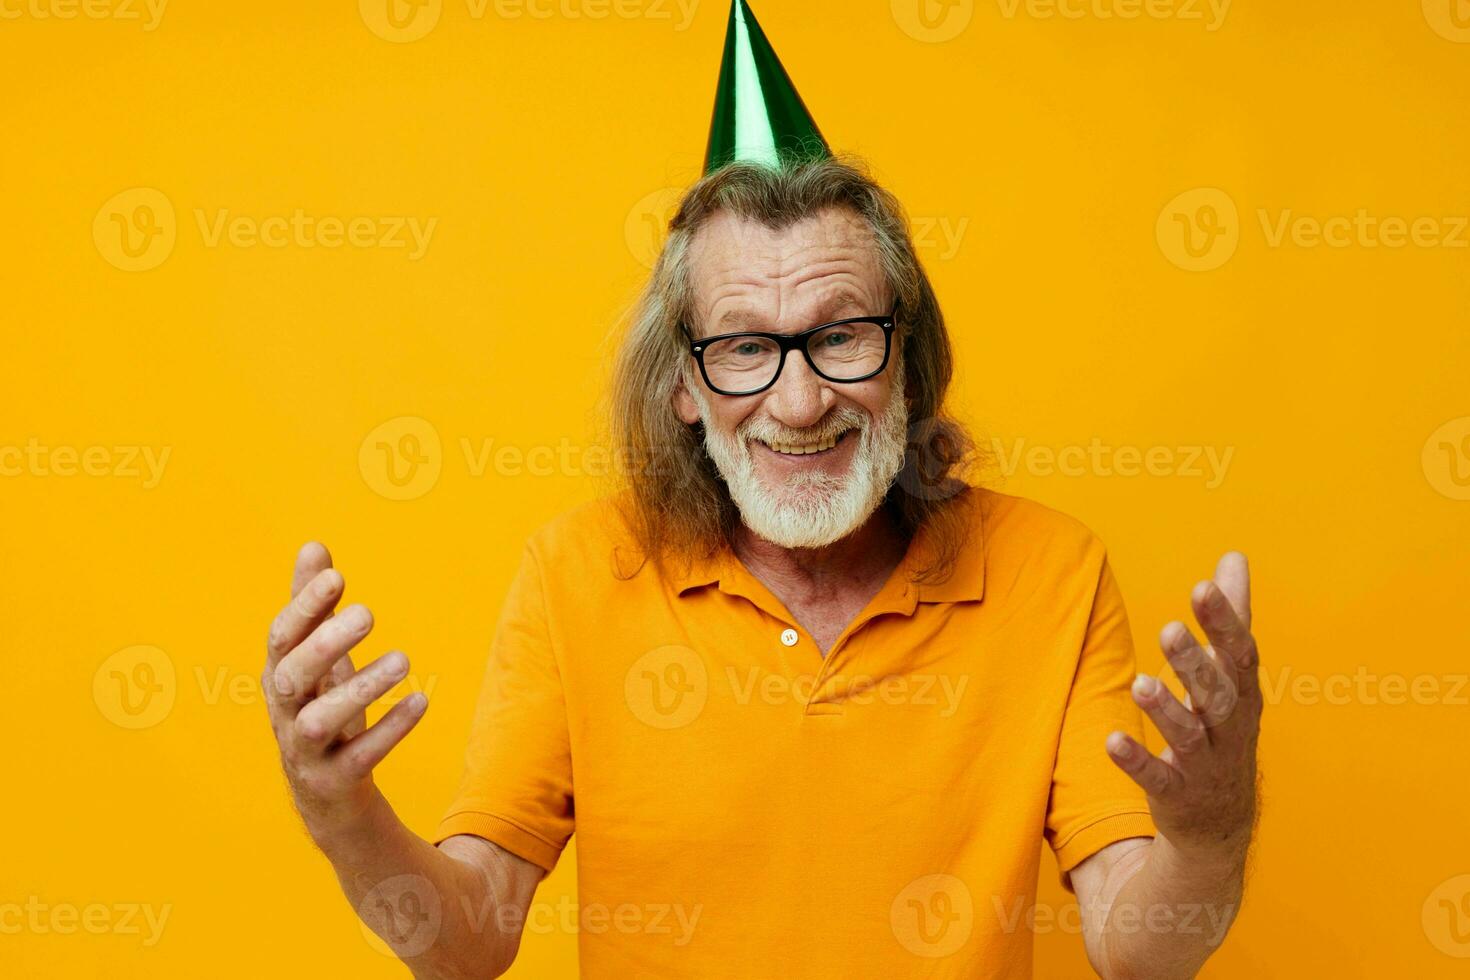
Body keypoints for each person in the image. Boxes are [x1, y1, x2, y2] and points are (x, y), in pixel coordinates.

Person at [260, 3, 1261, 976]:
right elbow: (465, 940)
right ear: (686, 385)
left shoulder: (1054, 571)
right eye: (746, 346)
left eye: (838, 334)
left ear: (905, 354)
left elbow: (1141, 947)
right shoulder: (576, 575)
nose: (798, 398)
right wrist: (345, 816)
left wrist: (1210, 833)